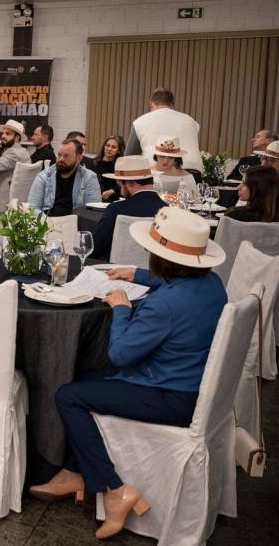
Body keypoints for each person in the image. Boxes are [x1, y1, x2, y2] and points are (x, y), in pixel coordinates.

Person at [32, 208, 226, 540]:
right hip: (193, 385)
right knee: (86, 378)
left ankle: (114, 489)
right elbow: (179, 281)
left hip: (169, 395)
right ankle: (73, 472)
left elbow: (120, 355)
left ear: (163, 259)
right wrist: (137, 274)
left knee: (69, 396)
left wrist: (121, 309)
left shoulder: (163, 306)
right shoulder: (212, 284)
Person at [90, 156, 167, 259]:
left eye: (120, 185)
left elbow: (94, 247)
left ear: (129, 184)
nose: (121, 191)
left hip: (115, 267)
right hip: (152, 268)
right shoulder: (167, 211)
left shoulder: (116, 209)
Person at [125, 87, 204, 173]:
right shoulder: (190, 121)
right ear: (172, 105)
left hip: (157, 171)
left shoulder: (139, 122)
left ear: (151, 104)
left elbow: (129, 156)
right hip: (193, 169)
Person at [27, 139, 102, 217]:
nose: (61, 159)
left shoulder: (89, 178)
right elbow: (32, 208)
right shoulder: (43, 176)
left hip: (76, 222)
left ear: (79, 158)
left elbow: (93, 212)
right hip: (48, 220)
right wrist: (45, 221)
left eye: (66, 156)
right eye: (59, 155)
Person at [94, 135, 125, 201]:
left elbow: (124, 185)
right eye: (107, 145)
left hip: (115, 199)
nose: (109, 149)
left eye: (113, 147)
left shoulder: (121, 166)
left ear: (119, 151)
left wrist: (113, 190)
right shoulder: (94, 163)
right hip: (96, 198)